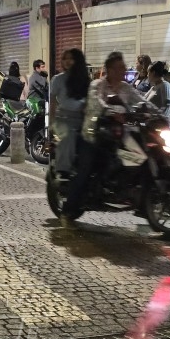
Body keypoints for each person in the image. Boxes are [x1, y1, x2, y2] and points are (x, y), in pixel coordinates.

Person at [60, 51, 152, 228]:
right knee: (85, 170)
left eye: (123, 67)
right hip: (93, 134)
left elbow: (141, 100)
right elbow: (97, 102)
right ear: (109, 69)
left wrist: (155, 113)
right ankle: (68, 210)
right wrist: (111, 112)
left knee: (142, 156)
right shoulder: (98, 85)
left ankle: (140, 200)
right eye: (118, 68)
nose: (122, 70)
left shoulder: (125, 87)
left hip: (118, 134)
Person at [49, 49, 90, 177]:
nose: (67, 61)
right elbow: (52, 103)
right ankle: (63, 171)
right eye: (65, 58)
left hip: (84, 119)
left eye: (71, 58)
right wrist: (51, 123)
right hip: (63, 118)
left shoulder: (85, 80)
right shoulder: (58, 79)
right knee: (68, 137)